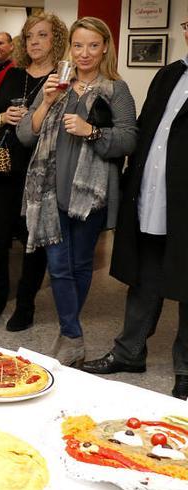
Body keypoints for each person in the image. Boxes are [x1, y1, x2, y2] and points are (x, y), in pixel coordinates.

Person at [16, 17, 138, 367]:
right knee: (57, 265)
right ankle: (72, 333)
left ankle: (69, 333)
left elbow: (130, 138)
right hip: (50, 189)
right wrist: (45, 102)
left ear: (105, 49)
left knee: (81, 263)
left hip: (90, 192)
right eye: (78, 45)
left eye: (93, 46)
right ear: (70, 47)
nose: (85, 53)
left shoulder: (116, 89)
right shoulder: (57, 83)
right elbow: (26, 134)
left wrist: (92, 131)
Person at [82, 14, 188, 400]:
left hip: (184, 204)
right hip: (150, 194)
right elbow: (145, 130)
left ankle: (186, 369)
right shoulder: (169, 74)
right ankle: (130, 352)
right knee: (145, 278)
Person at [0, 12, 67, 332]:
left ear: (56, 40)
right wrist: (3, 118)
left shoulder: (62, 79)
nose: (34, 42)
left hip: (40, 169)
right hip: (6, 162)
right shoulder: (14, 73)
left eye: (42, 35)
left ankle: (25, 305)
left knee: (31, 240)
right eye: (29, 36)